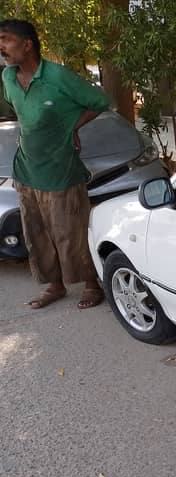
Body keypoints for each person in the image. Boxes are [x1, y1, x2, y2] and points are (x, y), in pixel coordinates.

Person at [0, 19, 109, 309]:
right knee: (37, 233)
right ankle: (55, 285)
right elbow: (23, 114)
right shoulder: (8, 78)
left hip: (61, 171)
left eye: (6, 39)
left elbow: (100, 101)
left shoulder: (58, 77)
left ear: (27, 44)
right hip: (26, 170)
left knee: (71, 231)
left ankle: (90, 284)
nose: (1, 47)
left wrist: (72, 127)